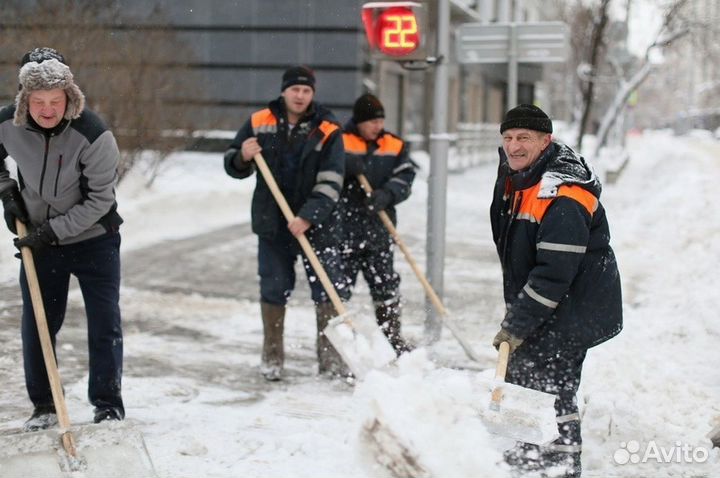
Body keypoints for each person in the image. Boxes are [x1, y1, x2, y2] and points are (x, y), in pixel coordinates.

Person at [489, 104, 622, 477]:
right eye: (508, 138)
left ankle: (560, 467)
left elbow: (554, 273)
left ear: (546, 140)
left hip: (572, 306)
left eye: (524, 139)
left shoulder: (564, 194)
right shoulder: (518, 175)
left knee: (551, 392)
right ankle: (528, 459)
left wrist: (517, 323)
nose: (513, 146)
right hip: (545, 300)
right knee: (527, 384)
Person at [0, 48, 125, 430]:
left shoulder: (93, 133)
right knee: (38, 324)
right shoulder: (7, 124)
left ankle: (107, 404)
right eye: (38, 102)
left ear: (69, 97)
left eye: (55, 101)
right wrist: (7, 191)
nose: (47, 110)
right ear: (25, 100)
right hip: (40, 242)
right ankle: (45, 406)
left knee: (104, 323)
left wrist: (51, 231)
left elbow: (100, 201)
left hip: (94, 240)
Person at [223, 66, 349, 381]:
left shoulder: (329, 128)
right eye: (295, 89)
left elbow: (333, 179)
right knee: (274, 288)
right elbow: (232, 163)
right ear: (284, 91)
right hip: (273, 222)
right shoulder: (259, 121)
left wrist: (308, 215)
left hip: (317, 224)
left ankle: (330, 360)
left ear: (313, 94)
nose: (300, 95)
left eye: (306, 91)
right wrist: (242, 156)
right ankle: (272, 359)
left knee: (326, 289)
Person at [339, 94, 416, 355]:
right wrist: (342, 166)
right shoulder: (339, 141)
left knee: (386, 286)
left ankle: (392, 338)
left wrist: (387, 194)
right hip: (344, 231)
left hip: (379, 231)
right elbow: (321, 171)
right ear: (359, 122)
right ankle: (341, 342)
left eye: (380, 120)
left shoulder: (393, 144)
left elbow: (406, 177)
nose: (377, 126)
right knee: (338, 291)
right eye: (372, 121)